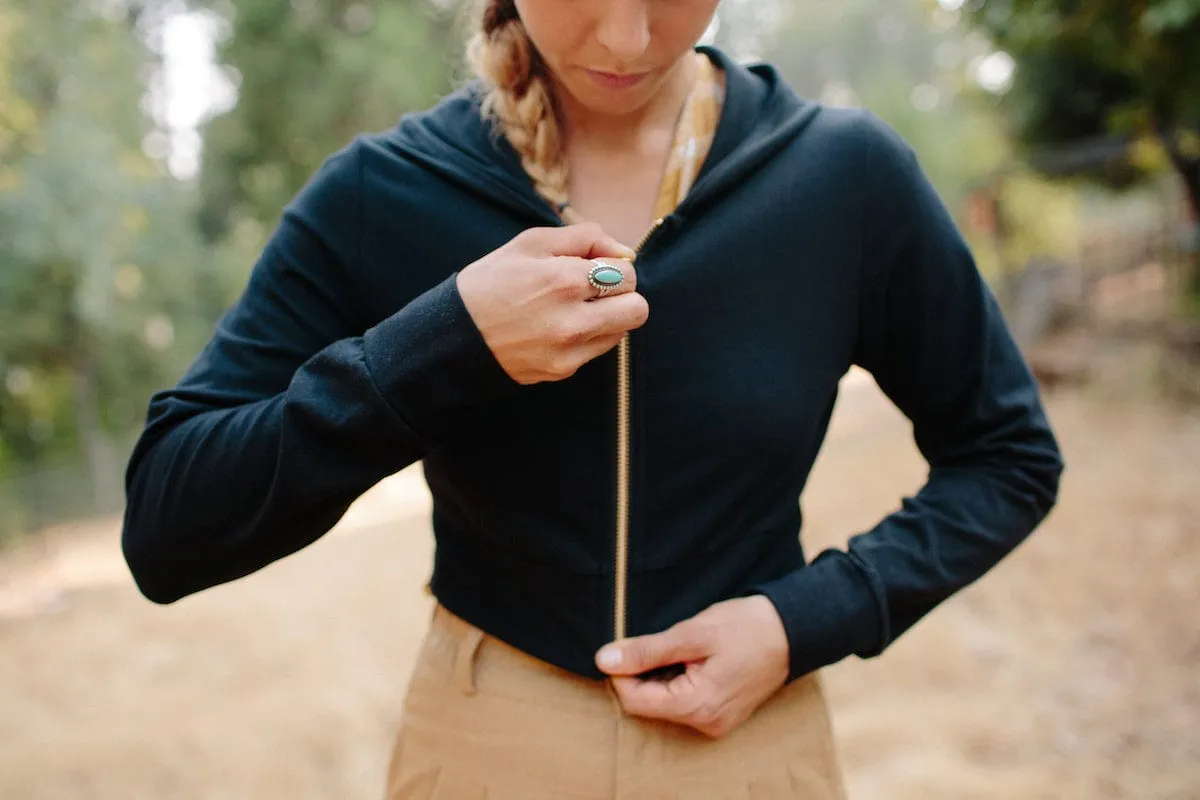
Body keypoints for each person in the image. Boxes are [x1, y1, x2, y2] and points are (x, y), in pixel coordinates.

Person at [121, 0, 1065, 796]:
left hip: (754, 750)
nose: (625, 38)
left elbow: (1008, 457)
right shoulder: (381, 194)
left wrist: (806, 618)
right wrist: (443, 344)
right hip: (481, 748)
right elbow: (169, 522)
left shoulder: (845, 176)